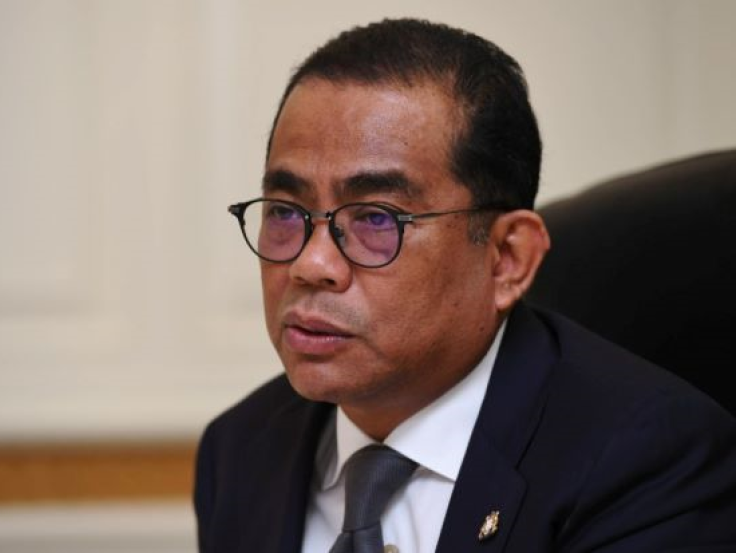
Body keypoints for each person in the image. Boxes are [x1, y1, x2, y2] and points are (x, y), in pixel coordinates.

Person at [194, 18, 736, 552]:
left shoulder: (648, 463)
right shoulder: (239, 452)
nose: (310, 264)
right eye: (285, 211)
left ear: (507, 259)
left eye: (377, 219)